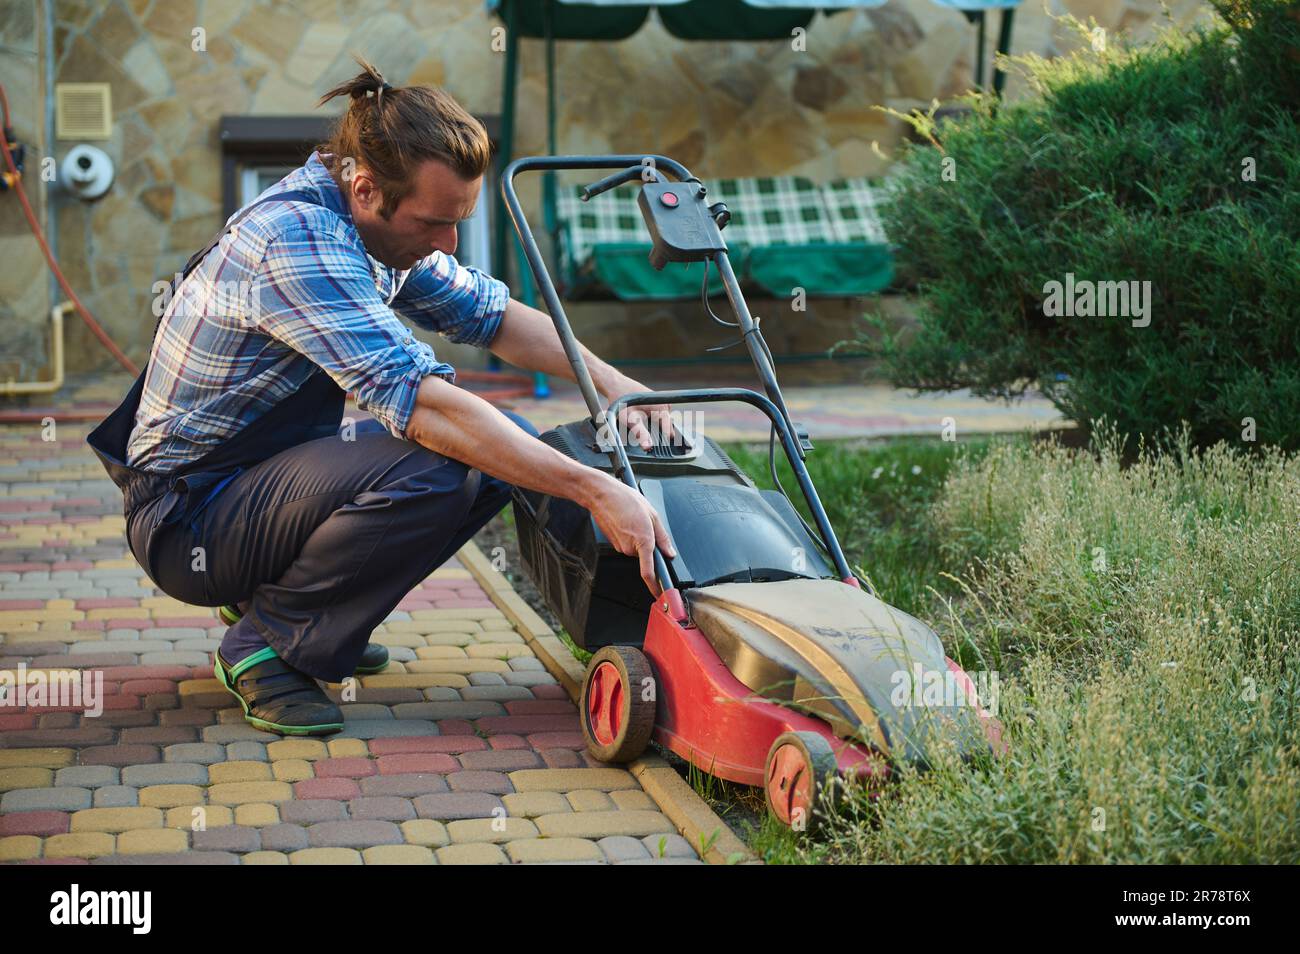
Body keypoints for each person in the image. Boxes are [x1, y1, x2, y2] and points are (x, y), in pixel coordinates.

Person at [87, 58, 675, 737]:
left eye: (458, 224)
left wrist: (619, 387)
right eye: (434, 224)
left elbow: (496, 318)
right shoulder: (299, 240)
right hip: (186, 518)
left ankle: (290, 604)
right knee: (450, 458)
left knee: (496, 445)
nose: (448, 245)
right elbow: (426, 410)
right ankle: (270, 643)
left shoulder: (371, 222)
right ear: (366, 189)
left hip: (247, 492)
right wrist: (595, 491)